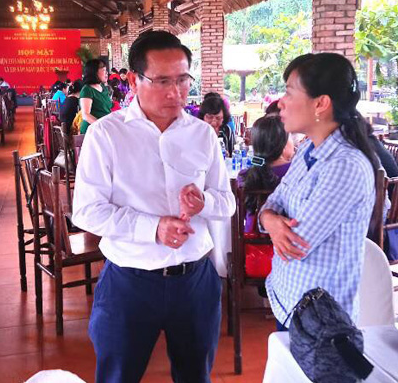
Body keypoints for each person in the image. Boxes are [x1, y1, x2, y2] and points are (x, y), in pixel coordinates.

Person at [73, 30, 235, 383]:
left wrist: (203, 202)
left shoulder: (202, 134)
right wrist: (154, 228)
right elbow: (87, 210)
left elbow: (227, 202)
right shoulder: (106, 134)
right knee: (118, 376)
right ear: (134, 80)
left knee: (196, 376)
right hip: (130, 282)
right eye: (162, 81)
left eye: (183, 80)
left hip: (195, 281)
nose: (175, 92)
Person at [258, 53, 378, 331]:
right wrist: (270, 219)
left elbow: (295, 245)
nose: (280, 102)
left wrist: (271, 220)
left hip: (319, 319)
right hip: (289, 301)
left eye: (289, 92)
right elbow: (273, 201)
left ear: (321, 103)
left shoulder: (345, 165)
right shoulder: (307, 151)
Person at [238, 115, 294, 232]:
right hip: (286, 238)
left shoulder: (243, 176)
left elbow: (241, 216)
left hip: (250, 238)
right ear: (282, 144)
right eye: (291, 137)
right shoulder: (295, 172)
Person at [79, 59, 112, 135]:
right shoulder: (87, 90)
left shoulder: (103, 88)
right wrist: (101, 126)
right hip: (92, 130)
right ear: (95, 72)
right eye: (104, 70)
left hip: (104, 128)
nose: (106, 73)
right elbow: (86, 115)